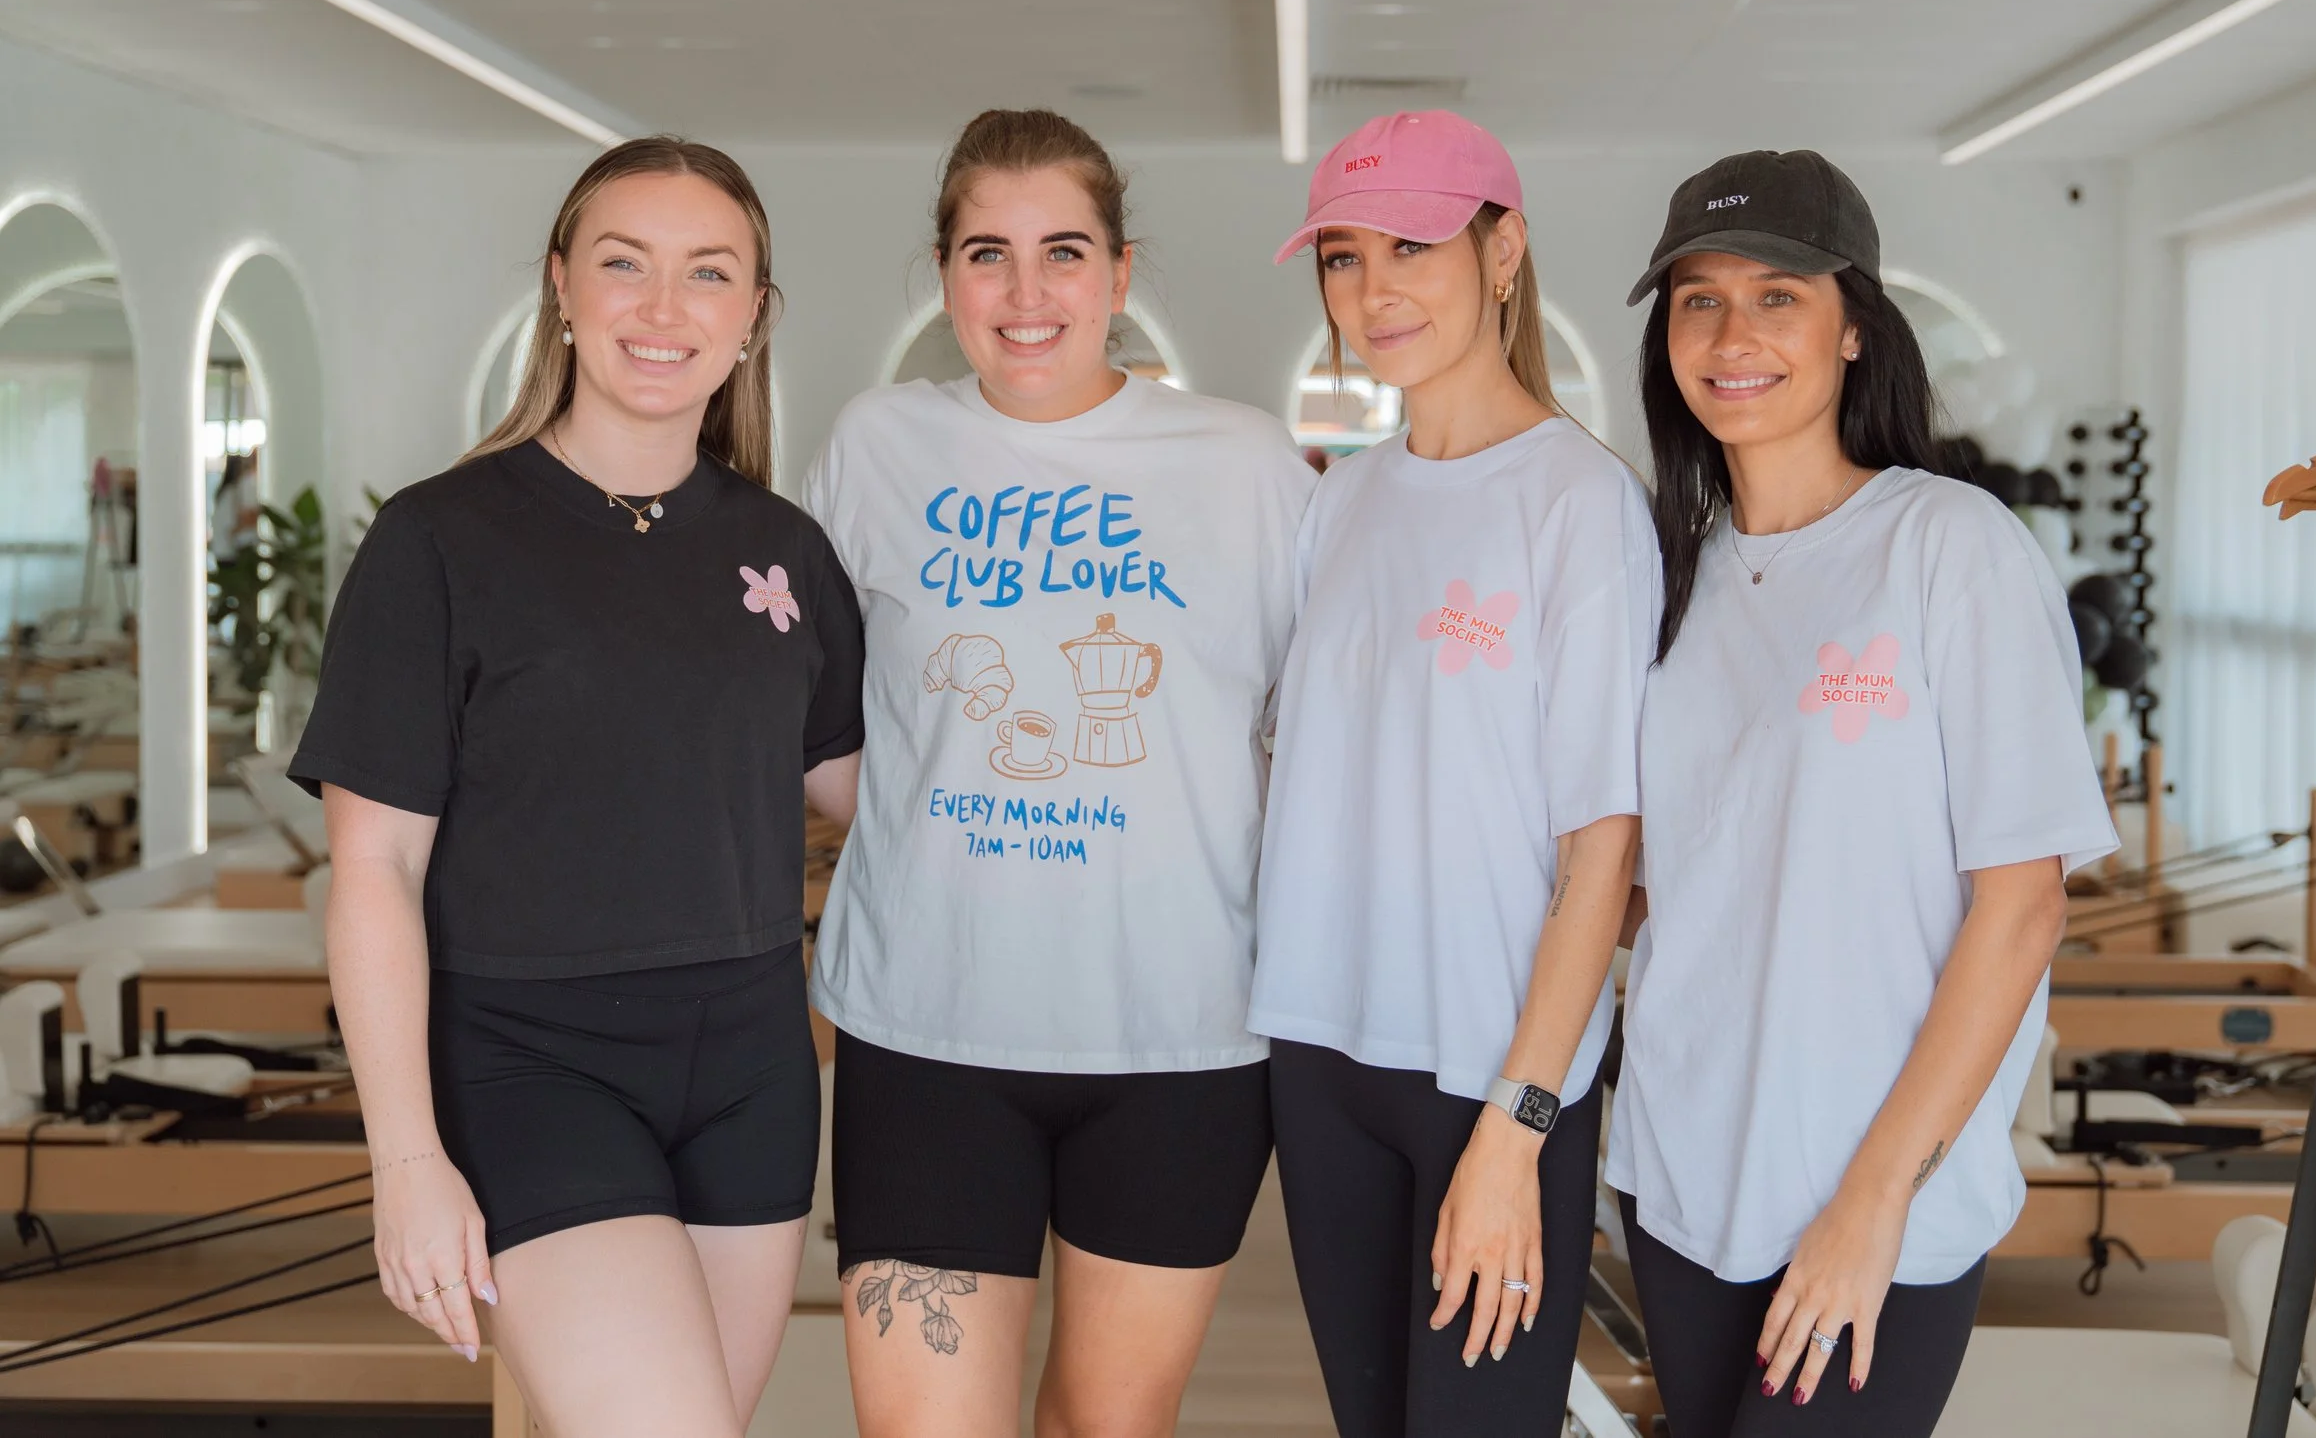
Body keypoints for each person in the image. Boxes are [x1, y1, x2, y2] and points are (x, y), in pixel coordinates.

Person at [292, 138, 865, 1437]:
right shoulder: (441, 539)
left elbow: (861, 789)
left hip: (755, 1067)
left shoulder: (784, 550)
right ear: (561, 284)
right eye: (625, 264)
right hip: (530, 1065)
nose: (665, 310)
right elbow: (373, 868)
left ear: (753, 316)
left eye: (708, 274)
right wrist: (406, 1157)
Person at [802, 109, 1314, 1438]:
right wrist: (922, 820)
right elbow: (812, 714)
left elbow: (1315, 733)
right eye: (988, 252)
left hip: (1180, 1038)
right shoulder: (875, 446)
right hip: (927, 1029)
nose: (1027, 292)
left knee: (1106, 1424)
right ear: (944, 271)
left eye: (1064, 251)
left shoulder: (1247, 464)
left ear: (1122, 273)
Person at [1608, 151, 2116, 1437]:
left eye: (1777, 296)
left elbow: (2021, 910)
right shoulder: (1670, 578)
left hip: (1873, 1199)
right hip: (1679, 1181)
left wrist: (1872, 1199)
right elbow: (1665, 885)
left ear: (1851, 329)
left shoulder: (1949, 548)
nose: (1731, 335)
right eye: (1696, 299)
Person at [1249, 110, 1659, 1437]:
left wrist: (1520, 1125)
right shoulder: (1341, 503)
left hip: (1490, 1072)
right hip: (1320, 1051)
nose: (1375, 291)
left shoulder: (1578, 503)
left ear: (1504, 250)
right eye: (1343, 257)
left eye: (1414, 245)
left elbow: (1604, 852)